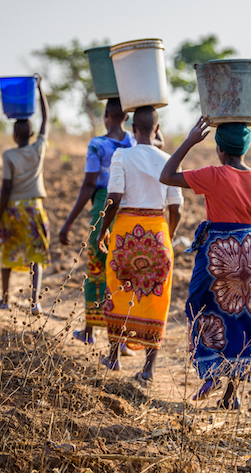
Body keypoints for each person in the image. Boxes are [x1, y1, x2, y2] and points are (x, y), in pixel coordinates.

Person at [160, 116, 251, 410]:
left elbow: (167, 175)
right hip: (250, 252)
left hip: (218, 253)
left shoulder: (213, 174)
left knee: (201, 306)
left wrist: (190, 140)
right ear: (245, 149)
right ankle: (230, 395)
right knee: (243, 318)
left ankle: (211, 374)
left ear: (219, 149)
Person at [59, 99, 162, 347]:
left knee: (98, 265)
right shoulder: (135, 141)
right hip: (131, 207)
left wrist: (68, 223)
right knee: (126, 268)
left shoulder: (98, 144)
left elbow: (88, 185)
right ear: (127, 119)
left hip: (106, 204)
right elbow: (158, 144)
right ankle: (125, 335)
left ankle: (91, 330)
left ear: (106, 115)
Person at [96, 106, 182, 383]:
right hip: (157, 233)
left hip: (124, 234)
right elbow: (176, 208)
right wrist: (167, 236)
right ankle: (148, 369)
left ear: (133, 131)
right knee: (156, 298)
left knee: (118, 291)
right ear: (157, 130)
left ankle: (113, 357)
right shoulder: (169, 159)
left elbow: (114, 198)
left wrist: (102, 230)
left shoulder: (122, 154)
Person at [0, 75, 50, 315]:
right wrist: (40, 90)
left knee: (8, 253)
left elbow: (5, 188)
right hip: (35, 209)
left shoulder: (9, 156)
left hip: (14, 210)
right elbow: (47, 119)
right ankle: (34, 302)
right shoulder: (39, 149)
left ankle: (5, 299)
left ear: (15, 136)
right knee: (36, 254)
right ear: (32, 133)